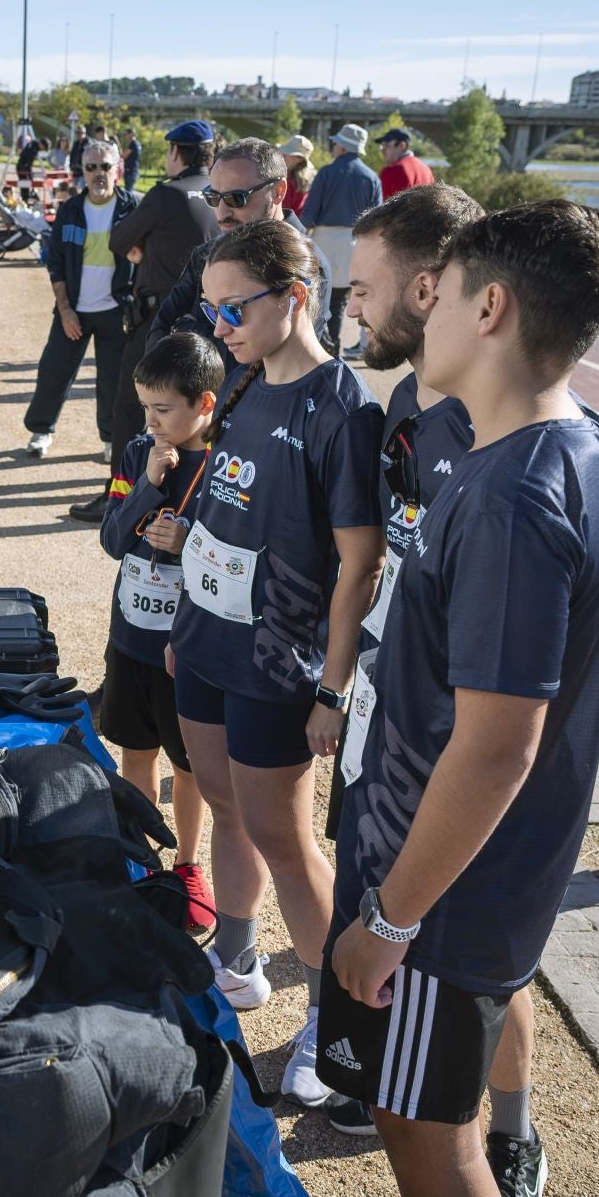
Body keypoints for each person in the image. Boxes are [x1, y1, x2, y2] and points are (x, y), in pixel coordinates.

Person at [318, 201, 599, 1197]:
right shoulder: (577, 444)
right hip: (473, 878)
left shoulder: (513, 494)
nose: (426, 308)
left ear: (489, 306)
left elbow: (497, 748)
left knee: (432, 1146)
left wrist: (387, 915)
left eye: (444, 292)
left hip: (447, 899)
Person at [162, 219, 384, 1117]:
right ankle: (240, 958)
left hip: (278, 665)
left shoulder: (344, 407)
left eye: (233, 306)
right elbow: (225, 506)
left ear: (296, 297)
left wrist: (334, 685)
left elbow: (360, 563)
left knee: (287, 839)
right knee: (224, 806)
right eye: (209, 306)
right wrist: (187, 607)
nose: (217, 324)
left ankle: (337, 1029)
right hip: (207, 644)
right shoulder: (244, 379)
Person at [318, 182, 485, 1141]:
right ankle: (348, 1064)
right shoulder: (402, 402)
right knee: (357, 883)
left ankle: (508, 1127)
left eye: (364, 289)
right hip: (377, 719)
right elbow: (375, 559)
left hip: (443, 745)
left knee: (472, 963)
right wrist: (338, 687)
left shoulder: (497, 435)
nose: (353, 308)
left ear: (429, 291)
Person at [97, 333, 224, 931]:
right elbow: (112, 539)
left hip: (187, 648)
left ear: (205, 403)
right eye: (145, 407)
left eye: (163, 409)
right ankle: (143, 858)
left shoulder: (224, 462)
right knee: (136, 751)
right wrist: (146, 482)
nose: (151, 421)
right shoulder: (137, 453)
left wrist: (190, 539)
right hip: (131, 638)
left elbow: (236, 552)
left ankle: (189, 862)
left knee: (191, 764)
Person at [67, 118, 221, 525]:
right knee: (194, 412)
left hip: (159, 317)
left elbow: (118, 239)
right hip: (209, 322)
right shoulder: (219, 195)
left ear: (175, 153)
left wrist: (145, 247)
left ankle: (119, 496)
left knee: (131, 408)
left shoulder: (167, 194)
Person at [146, 137, 331, 373]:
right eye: (213, 198)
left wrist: (192, 332)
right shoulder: (207, 254)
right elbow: (158, 336)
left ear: (277, 192)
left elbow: (282, 365)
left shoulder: (309, 265)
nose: (222, 213)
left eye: (236, 198)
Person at [22, 139, 137, 460]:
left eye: (105, 166)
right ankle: (41, 431)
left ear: (118, 170)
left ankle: (111, 439)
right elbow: (55, 261)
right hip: (74, 310)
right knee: (54, 371)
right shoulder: (70, 210)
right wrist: (66, 310)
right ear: (82, 172)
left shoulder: (133, 209)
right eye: (91, 167)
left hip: (116, 310)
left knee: (113, 380)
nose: (99, 173)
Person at [301, 123, 383, 356]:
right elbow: (377, 219)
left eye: (336, 143)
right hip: (354, 242)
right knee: (337, 302)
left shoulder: (326, 172)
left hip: (324, 239)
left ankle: (317, 348)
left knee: (315, 297)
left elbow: (309, 215)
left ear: (343, 147)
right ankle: (333, 349)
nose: (334, 146)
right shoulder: (371, 177)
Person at [376, 127, 435, 200]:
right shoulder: (426, 169)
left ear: (402, 146)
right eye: (382, 146)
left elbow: (382, 208)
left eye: (387, 145)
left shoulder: (393, 170)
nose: (383, 150)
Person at [279, 135, 315, 219]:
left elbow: (282, 212)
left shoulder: (289, 182)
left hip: (283, 227)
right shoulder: (304, 181)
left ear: (299, 159)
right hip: (294, 227)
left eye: (286, 154)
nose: (283, 156)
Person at [123, 127, 144, 193]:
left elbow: (123, 156)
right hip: (134, 170)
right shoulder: (137, 144)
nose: (125, 137)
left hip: (130, 171)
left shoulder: (133, 144)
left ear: (131, 134)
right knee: (130, 191)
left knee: (128, 192)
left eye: (126, 134)